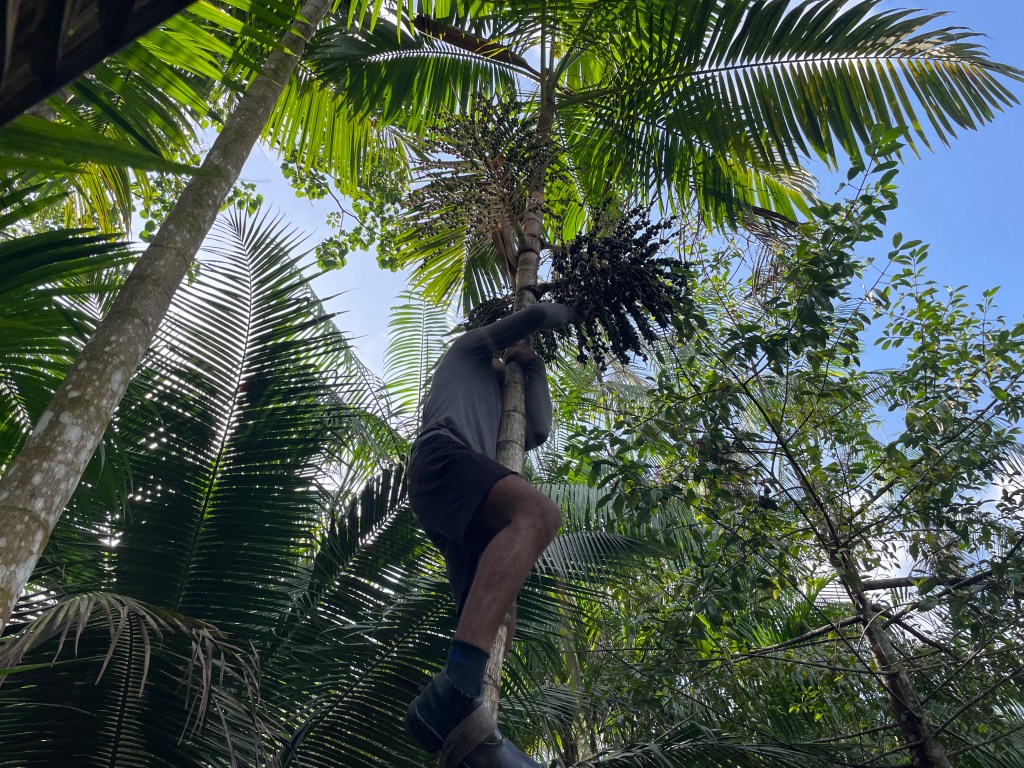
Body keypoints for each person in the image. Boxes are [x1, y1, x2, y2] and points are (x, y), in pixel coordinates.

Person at [405, 302, 578, 768]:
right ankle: (457, 686)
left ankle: (467, 740)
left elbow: (536, 428)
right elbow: (536, 314)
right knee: (537, 515)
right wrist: (570, 307)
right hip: (442, 458)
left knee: (497, 616)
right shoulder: (465, 352)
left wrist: (533, 365)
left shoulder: (503, 394)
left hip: (471, 496)